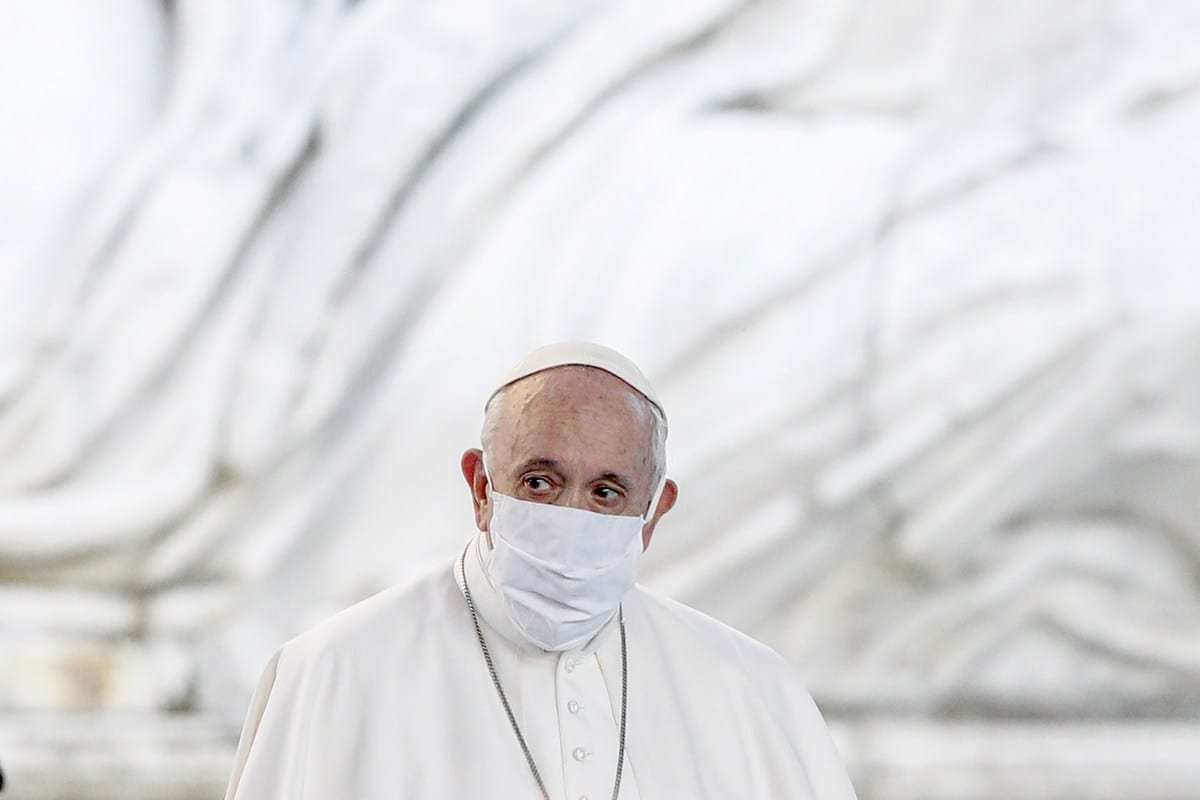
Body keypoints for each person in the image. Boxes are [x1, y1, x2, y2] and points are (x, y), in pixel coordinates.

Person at [224, 342, 857, 799]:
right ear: (481, 487)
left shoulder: (751, 689)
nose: (570, 517)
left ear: (654, 513)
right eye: (540, 482)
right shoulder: (333, 671)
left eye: (606, 493)